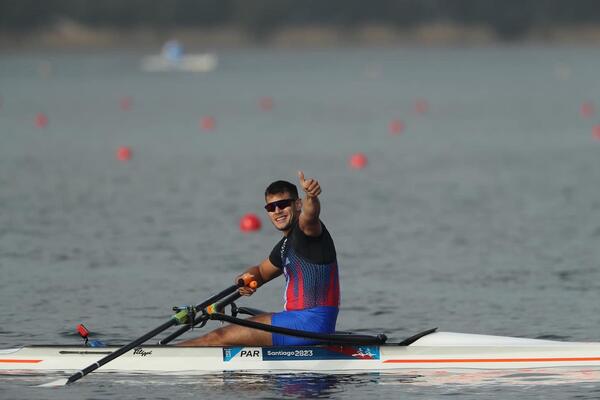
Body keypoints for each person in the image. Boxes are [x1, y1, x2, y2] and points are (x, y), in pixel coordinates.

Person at [178, 171, 340, 346]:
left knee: (217, 338)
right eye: (271, 207)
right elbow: (261, 272)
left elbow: (310, 215)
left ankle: (162, 357)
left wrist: (311, 196)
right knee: (238, 331)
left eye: (283, 204)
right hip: (302, 322)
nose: (277, 211)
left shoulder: (306, 232)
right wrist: (246, 278)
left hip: (309, 322)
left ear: (298, 204)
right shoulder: (285, 245)